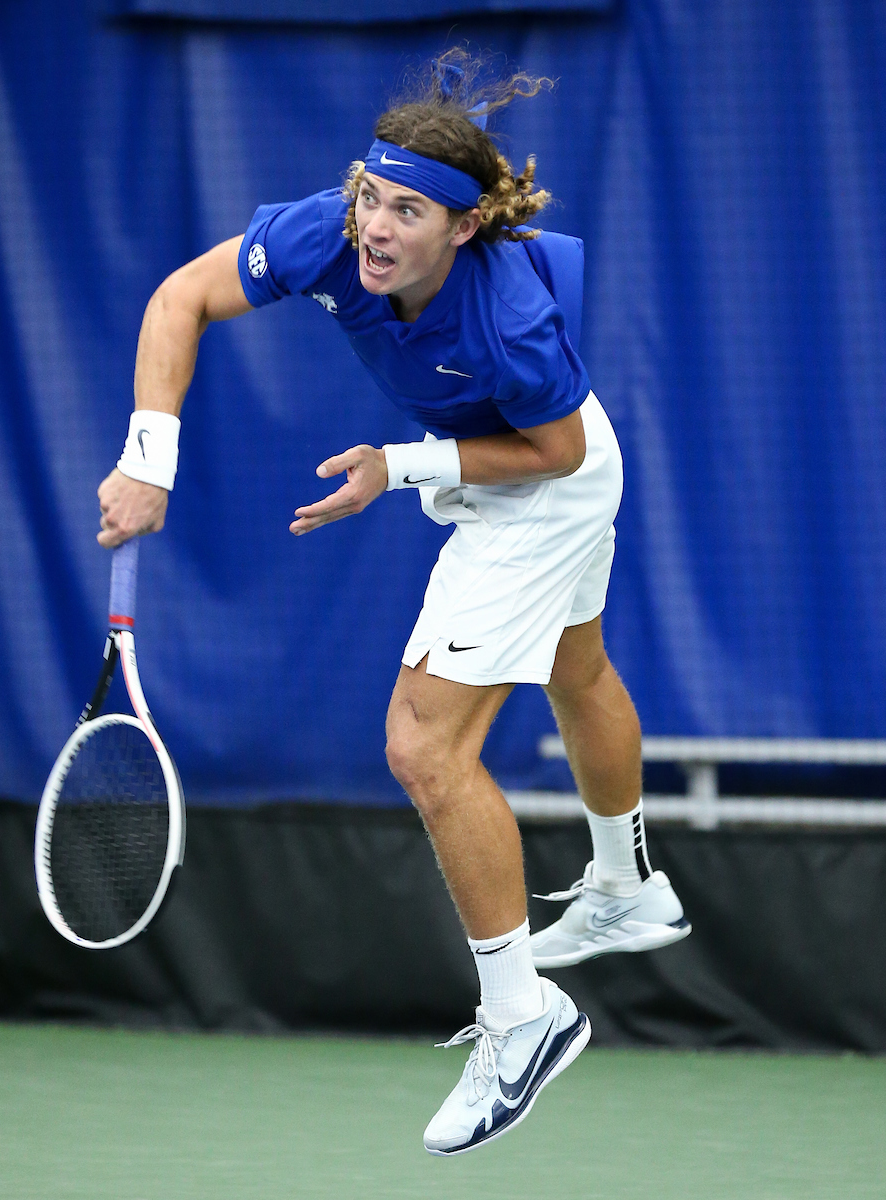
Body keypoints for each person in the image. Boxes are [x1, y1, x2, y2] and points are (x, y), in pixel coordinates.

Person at [96, 51, 691, 1156]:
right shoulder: (328, 232)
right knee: (578, 670)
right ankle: (628, 885)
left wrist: (401, 467)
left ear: (462, 228)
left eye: (406, 212)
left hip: (547, 478)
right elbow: (182, 298)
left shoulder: (507, 316)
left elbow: (557, 454)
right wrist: (149, 460)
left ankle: (524, 1018)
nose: (373, 227)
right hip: (544, 460)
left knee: (423, 745)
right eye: (369, 196)